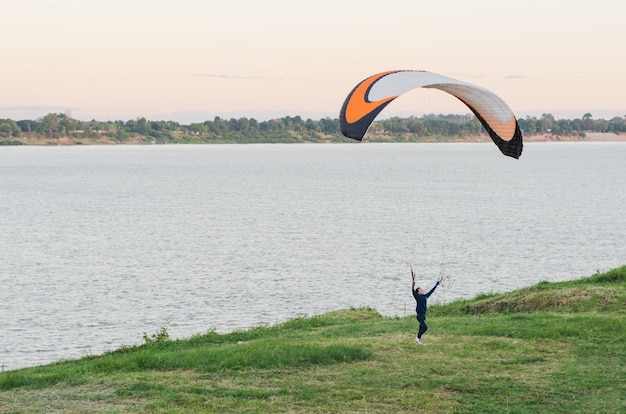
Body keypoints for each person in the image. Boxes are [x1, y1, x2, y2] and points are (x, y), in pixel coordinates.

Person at [411, 269, 440, 345]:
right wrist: (413, 283)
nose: (422, 290)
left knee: (421, 327)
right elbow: (412, 291)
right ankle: (417, 338)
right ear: (418, 292)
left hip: (423, 315)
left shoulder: (425, 296)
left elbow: (431, 292)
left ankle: (418, 340)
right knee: (425, 327)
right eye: (420, 290)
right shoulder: (417, 296)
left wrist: (436, 285)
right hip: (419, 315)